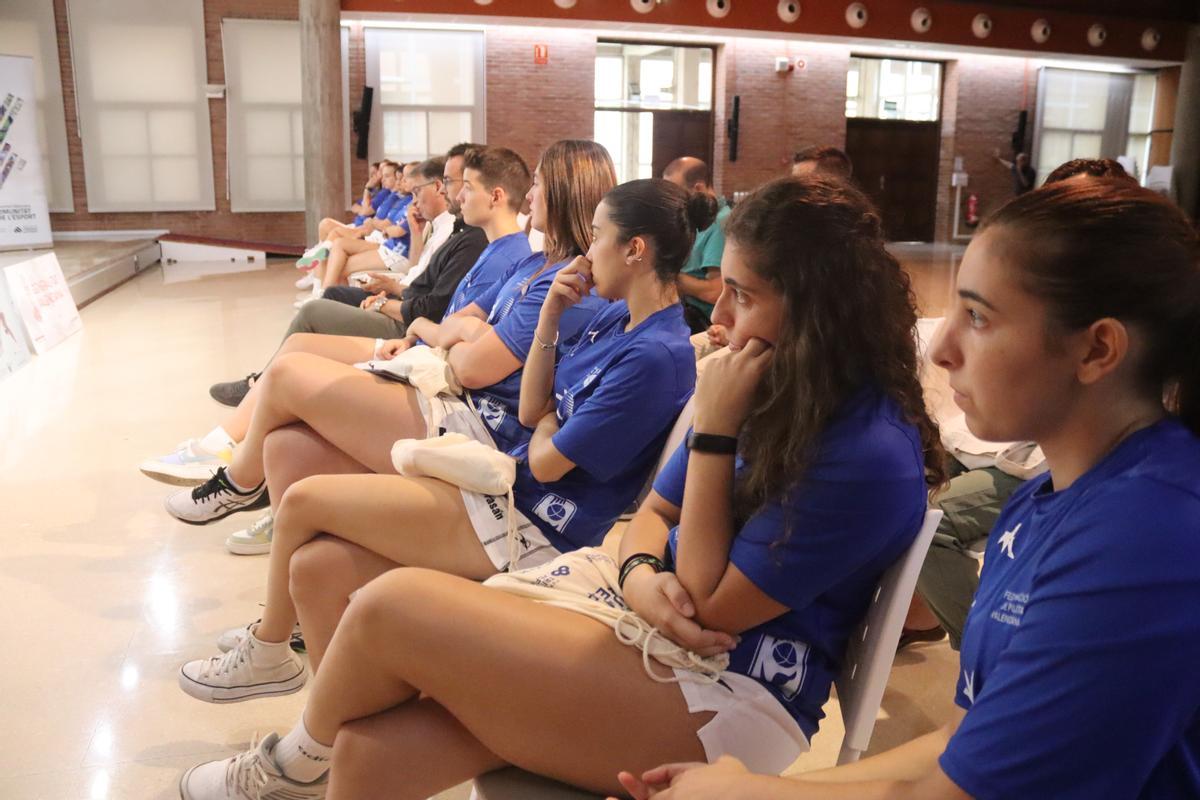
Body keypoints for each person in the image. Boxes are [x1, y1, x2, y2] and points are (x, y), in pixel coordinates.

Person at [176, 175, 941, 800]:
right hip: (646, 614)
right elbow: (657, 511)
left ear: (812, 307)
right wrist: (642, 574)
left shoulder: (865, 447)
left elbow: (710, 608)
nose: (723, 314)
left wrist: (711, 434)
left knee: (390, 606)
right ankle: (309, 752)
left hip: (728, 696)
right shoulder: (755, 375)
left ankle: (289, 764)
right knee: (370, 746)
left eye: (743, 294)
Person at [620, 178, 1200, 799]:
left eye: (977, 317)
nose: (944, 349)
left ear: (1098, 349)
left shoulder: (1148, 536)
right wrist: (747, 786)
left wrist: (743, 793)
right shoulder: (1039, 505)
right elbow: (961, 741)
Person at [174, 175, 707, 707]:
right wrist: (549, 319)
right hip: (504, 476)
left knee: (302, 499)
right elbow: (530, 407)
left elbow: (545, 462)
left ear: (634, 249)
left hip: (534, 519)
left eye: (598, 235)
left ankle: (276, 658)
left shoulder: (654, 354)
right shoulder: (613, 319)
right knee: (309, 542)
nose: (588, 251)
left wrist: (545, 418)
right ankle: (331, 719)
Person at [901, 157, 1142, 650]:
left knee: (929, 520)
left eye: (980, 318)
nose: (946, 354)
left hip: (1029, 467)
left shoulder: (1137, 530)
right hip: (1020, 462)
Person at [662, 156, 729, 335]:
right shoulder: (691, 218)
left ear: (698, 188)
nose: (673, 200)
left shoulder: (721, 223)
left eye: (676, 192)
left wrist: (665, 273)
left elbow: (716, 292)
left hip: (702, 323)